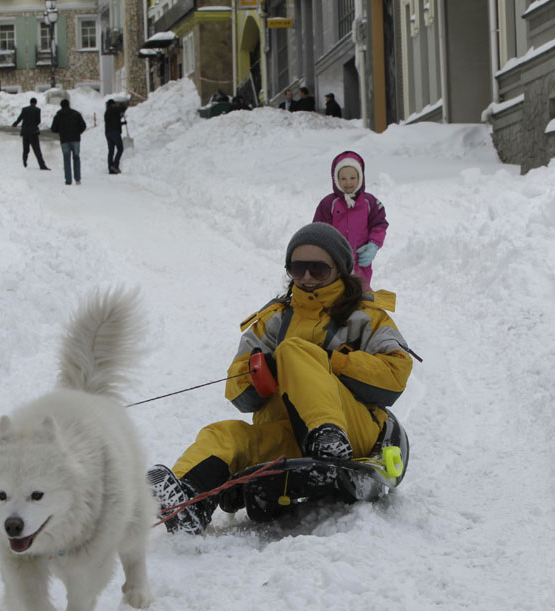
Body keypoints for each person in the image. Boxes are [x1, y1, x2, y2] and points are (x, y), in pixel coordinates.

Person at [146, 223, 413, 534]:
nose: (307, 277)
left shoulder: (366, 316)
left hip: (353, 430)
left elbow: (395, 374)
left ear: (339, 270)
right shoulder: (273, 320)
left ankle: (328, 436)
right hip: (288, 434)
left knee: (295, 350)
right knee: (222, 435)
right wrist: (265, 372)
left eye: (318, 269)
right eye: (298, 268)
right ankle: (188, 502)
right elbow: (236, 390)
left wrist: (330, 361)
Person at [312, 150, 389, 290]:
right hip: (334, 263)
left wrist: (374, 245)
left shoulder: (369, 202)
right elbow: (317, 230)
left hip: (360, 263)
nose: (348, 183)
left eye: (353, 178)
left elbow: (379, 224)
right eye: (343, 178)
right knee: (334, 295)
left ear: (360, 177)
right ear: (335, 179)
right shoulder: (328, 203)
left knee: (360, 295)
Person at [50, 98, 87, 185]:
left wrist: (60, 131)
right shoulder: (76, 114)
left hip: (64, 140)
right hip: (75, 139)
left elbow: (53, 128)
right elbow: (83, 125)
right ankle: (77, 179)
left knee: (66, 160)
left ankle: (68, 180)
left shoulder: (58, 115)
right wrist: (78, 132)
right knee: (76, 158)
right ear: (69, 105)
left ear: (61, 106)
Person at [11, 97, 49, 170]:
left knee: (25, 149)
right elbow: (38, 121)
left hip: (25, 132)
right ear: (35, 103)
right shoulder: (37, 110)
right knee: (37, 150)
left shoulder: (24, 109)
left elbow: (20, 118)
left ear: (30, 102)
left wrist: (15, 124)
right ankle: (42, 165)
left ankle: (24, 161)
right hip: (33, 132)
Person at [104, 99, 127, 175]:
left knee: (111, 151)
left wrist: (122, 123)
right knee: (120, 148)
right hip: (115, 132)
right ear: (112, 104)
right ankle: (115, 165)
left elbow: (114, 121)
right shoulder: (113, 109)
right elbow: (123, 108)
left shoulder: (106, 112)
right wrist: (121, 105)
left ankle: (110, 168)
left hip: (108, 133)